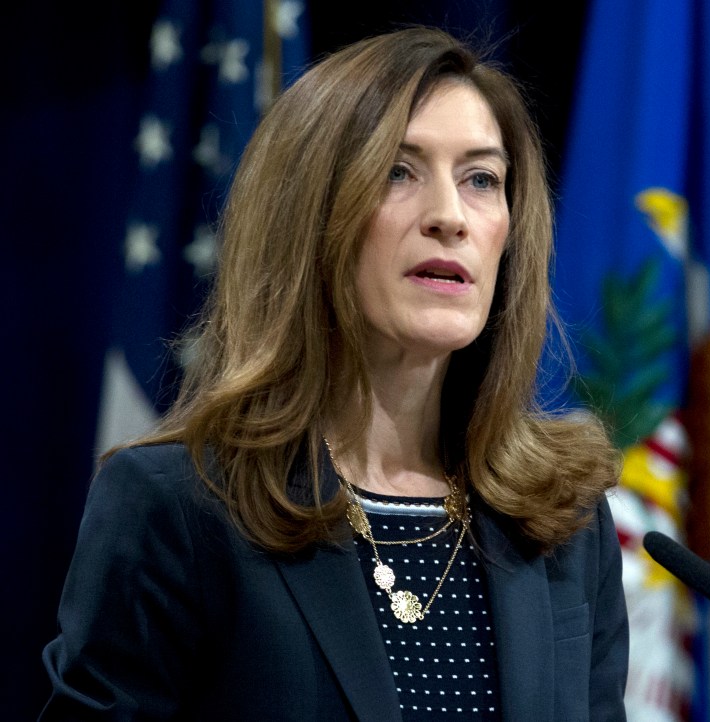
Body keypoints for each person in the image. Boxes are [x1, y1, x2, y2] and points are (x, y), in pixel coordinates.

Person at [39, 25, 628, 721]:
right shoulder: (178, 511)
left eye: (481, 180)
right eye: (397, 172)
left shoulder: (561, 522)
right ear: (310, 216)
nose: (450, 217)